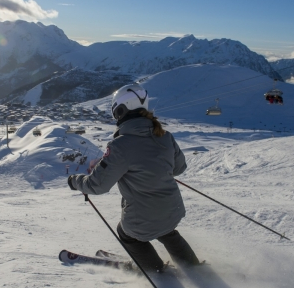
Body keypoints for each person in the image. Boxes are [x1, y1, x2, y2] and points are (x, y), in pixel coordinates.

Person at [67, 84, 200, 272]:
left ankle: (154, 270)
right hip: (173, 210)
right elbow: (179, 168)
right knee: (166, 230)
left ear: (121, 111)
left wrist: (74, 182)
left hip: (143, 218)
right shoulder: (165, 136)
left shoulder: (121, 145)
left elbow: (98, 185)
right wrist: (156, 171)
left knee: (127, 233)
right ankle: (194, 268)